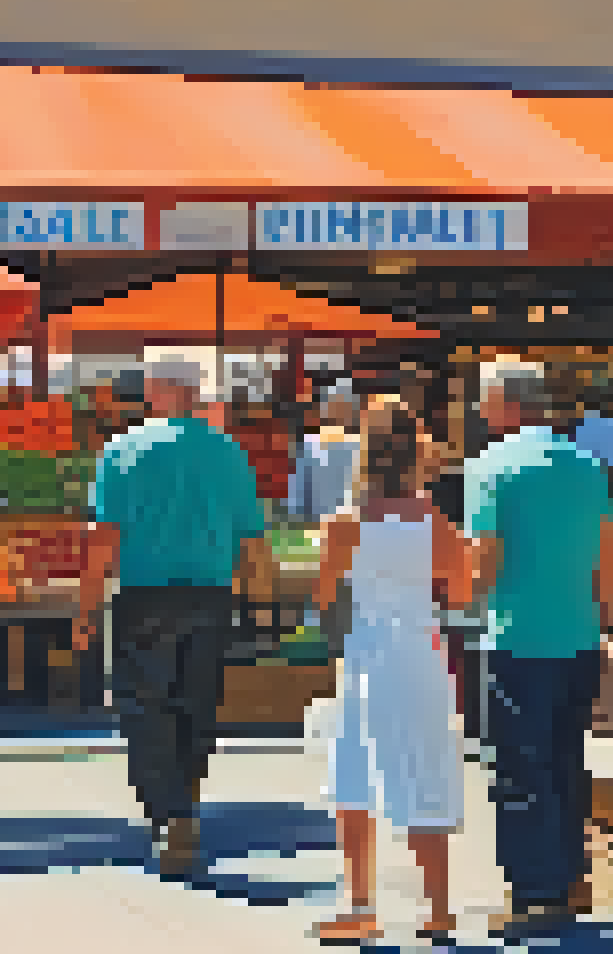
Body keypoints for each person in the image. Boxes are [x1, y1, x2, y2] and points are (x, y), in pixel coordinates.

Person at [75, 361, 269, 877]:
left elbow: (103, 540)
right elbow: (253, 541)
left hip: (143, 594)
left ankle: (168, 813)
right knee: (196, 706)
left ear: (156, 392)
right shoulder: (229, 452)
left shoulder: (121, 451)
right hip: (210, 594)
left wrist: (86, 606)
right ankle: (183, 804)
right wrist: (264, 602)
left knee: (143, 706)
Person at [307, 401, 471, 945]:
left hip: (366, 654)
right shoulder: (440, 526)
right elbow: (463, 595)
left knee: (352, 775)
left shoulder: (343, 525)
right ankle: (440, 907)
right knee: (425, 771)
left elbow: (323, 597)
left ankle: (359, 903)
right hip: (422, 655)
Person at [465, 362, 613, 939]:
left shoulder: (492, 467)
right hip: (578, 635)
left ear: (506, 404)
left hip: (518, 636)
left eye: (484, 403)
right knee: (566, 762)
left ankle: (535, 894)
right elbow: (606, 559)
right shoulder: (587, 465)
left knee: (519, 768)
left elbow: (484, 560)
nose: (481, 414)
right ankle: (571, 879)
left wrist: (454, 595)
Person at [289, 385, 363, 525]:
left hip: (344, 519)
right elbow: (299, 484)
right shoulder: (312, 441)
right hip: (314, 518)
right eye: (335, 405)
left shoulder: (356, 443)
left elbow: (356, 486)